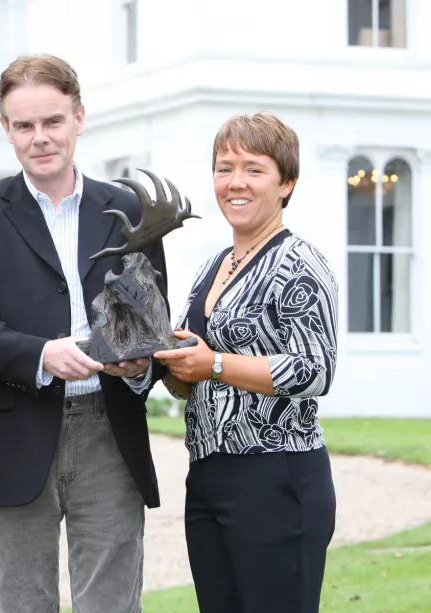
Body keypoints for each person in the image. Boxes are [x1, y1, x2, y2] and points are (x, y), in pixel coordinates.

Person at [0, 54, 167, 613]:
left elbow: (152, 321)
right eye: (24, 125)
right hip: (14, 429)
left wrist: (141, 365)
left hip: (109, 430)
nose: (40, 138)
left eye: (53, 121)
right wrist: (42, 354)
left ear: (79, 118)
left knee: (112, 604)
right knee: (21, 603)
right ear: (7, 129)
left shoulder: (132, 209)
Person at [154, 112, 338, 613]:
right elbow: (195, 381)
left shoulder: (299, 263)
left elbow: (314, 370)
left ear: (287, 184)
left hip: (277, 475)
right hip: (210, 475)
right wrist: (165, 366)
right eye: (224, 167)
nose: (235, 182)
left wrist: (214, 364)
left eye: (254, 169)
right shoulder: (212, 266)